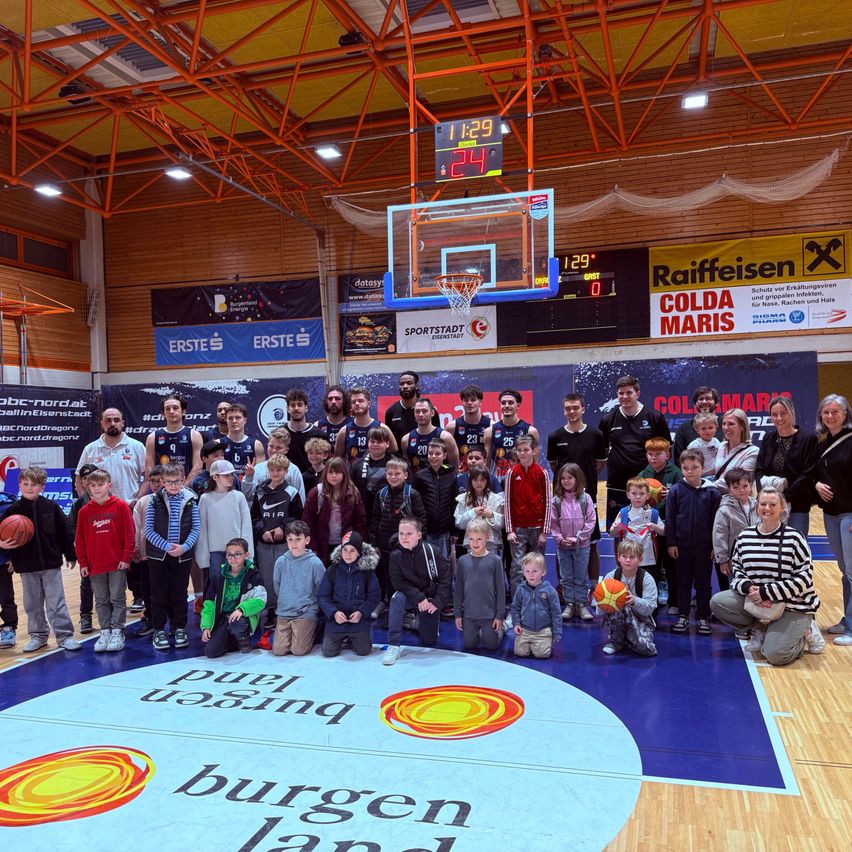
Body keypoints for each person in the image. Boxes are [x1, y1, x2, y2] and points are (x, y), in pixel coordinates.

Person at [710, 487, 822, 665]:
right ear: (757, 507)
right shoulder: (745, 536)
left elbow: (804, 579)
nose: (767, 508)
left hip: (793, 605)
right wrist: (749, 587)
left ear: (782, 508)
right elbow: (738, 571)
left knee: (775, 655)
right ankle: (761, 627)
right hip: (758, 600)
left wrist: (766, 592)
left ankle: (805, 632)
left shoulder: (794, 538)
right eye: (763, 504)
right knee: (718, 602)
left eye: (773, 504)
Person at [0, 466, 80, 653]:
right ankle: (38, 636)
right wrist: (10, 557)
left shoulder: (51, 507)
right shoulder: (13, 511)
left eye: (34, 484)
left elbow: (65, 533)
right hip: (26, 567)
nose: (29, 487)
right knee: (32, 605)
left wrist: (71, 554)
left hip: (51, 564)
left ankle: (64, 635)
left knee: (56, 602)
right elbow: (7, 538)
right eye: (25, 484)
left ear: (42, 487)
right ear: (19, 484)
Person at [546, 393, 606, 588]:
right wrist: (568, 484)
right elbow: (555, 466)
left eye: (575, 407)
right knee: (561, 544)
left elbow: (599, 464)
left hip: (587, 497)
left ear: (583, 409)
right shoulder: (555, 436)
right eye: (568, 408)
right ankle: (564, 588)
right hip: (563, 499)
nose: (572, 411)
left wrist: (581, 484)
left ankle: (593, 587)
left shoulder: (596, 434)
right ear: (564, 411)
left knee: (592, 542)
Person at [74, 469, 135, 653]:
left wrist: (126, 557)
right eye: (92, 485)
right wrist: (83, 563)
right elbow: (80, 540)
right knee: (100, 600)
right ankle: (105, 631)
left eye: (100, 485)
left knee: (117, 597)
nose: (96, 488)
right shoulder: (84, 512)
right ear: (87, 487)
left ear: (109, 485)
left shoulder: (121, 506)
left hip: (117, 563)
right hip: (95, 564)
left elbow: (130, 535)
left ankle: (118, 631)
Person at [599, 375, 671, 527]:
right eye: (621, 393)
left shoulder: (655, 417)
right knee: (619, 529)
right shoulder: (607, 420)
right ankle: (620, 553)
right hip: (617, 484)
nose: (624, 397)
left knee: (648, 528)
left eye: (629, 392)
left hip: (647, 484)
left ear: (637, 393)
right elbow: (602, 452)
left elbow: (666, 449)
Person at [144, 462, 200, 651]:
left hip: (182, 556)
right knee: (159, 594)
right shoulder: (153, 501)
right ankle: (159, 629)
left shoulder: (191, 500)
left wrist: (183, 547)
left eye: (177, 481)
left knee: (180, 593)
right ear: (162, 482)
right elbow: (149, 531)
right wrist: (167, 547)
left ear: (183, 480)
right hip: (159, 557)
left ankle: (179, 627)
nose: (174, 485)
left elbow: (196, 528)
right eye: (169, 482)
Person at [666, 449, 722, 636]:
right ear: (681, 469)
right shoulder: (675, 491)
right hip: (681, 547)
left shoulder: (712, 493)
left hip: (704, 547)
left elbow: (716, 523)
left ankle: (703, 617)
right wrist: (671, 543)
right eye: (685, 468)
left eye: (694, 467)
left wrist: (715, 546)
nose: (690, 471)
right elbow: (670, 519)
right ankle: (683, 615)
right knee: (682, 582)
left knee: (703, 583)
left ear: (703, 467)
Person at [382, 517, 452, 666]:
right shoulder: (395, 556)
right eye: (401, 533)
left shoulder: (433, 552)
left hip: (430, 599)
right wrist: (419, 597)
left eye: (409, 533)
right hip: (410, 596)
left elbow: (446, 579)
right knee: (396, 599)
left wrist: (438, 602)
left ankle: (417, 622)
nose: (404, 537)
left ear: (419, 535)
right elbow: (398, 582)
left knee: (429, 641)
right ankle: (393, 645)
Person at [251, 454, 303, 645]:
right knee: (266, 577)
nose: (275, 473)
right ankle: (272, 611)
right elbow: (254, 517)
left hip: (283, 544)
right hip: (264, 543)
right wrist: (262, 530)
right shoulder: (260, 491)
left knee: (284, 576)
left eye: (279, 470)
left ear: (286, 471)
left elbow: (297, 515)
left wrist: (283, 527)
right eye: (272, 470)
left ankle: (286, 610)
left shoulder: (291, 492)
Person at [814, 394, 852, 646]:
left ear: (846, 414)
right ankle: (848, 619)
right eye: (826, 412)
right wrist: (816, 484)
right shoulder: (823, 444)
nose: (830, 416)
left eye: (835, 411)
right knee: (845, 570)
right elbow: (816, 474)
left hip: (850, 514)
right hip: (830, 513)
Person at [370, 457, 426, 617]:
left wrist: (418, 544)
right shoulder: (380, 494)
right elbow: (374, 519)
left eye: (397, 473)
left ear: (406, 475)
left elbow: (421, 519)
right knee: (386, 576)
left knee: (408, 577)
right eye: (390, 474)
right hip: (384, 545)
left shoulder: (412, 495)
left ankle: (409, 609)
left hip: (406, 547)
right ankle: (385, 603)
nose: (393, 477)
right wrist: (375, 543)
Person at [755, 395, 819, 535]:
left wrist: (784, 497)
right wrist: (765, 496)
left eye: (783, 413)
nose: (779, 418)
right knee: (771, 549)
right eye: (774, 414)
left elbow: (807, 474)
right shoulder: (768, 438)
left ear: (792, 412)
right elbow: (759, 470)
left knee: (794, 548)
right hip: (770, 506)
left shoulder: (808, 440)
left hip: (797, 505)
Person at [503, 434, 552, 601]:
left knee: (536, 567)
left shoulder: (542, 473)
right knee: (517, 567)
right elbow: (508, 503)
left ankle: (536, 601)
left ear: (534, 451)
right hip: (518, 529)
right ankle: (518, 603)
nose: (522, 453)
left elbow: (547, 504)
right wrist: (509, 530)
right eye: (519, 450)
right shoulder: (511, 473)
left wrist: (545, 531)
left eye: (526, 450)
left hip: (537, 529)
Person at [200, 537, 267, 657]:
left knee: (237, 622)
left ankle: (243, 639)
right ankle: (232, 638)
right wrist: (206, 626)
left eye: (237, 554)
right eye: (229, 555)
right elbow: (209, 603)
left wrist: (242, 609)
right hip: (223, 618)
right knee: (211, 652)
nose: (233, 558)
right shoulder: (218, 577)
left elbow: (260, 601)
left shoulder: (254, 575)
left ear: (246, 555)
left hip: (242, 617)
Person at [317, 532, 380, 658]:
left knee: (364, 650)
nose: (348, 554)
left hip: (358, 620)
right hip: (336, 621)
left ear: (359, 552)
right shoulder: (332, 570)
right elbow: (323, 596)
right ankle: (342, 638)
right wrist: (334, 613)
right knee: (328, 652)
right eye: (345, 550)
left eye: (352, 550)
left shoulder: (367, 572)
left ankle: (354, 638)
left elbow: (374, 596)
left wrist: (361, 612)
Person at [196, 459, 253, 592]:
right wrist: (203, 557)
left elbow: (246, 526)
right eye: (226, 475)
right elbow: (202, 530)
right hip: (215, 552)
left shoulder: (239, 497)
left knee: (237, 587)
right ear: (215, 477)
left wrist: (248, 554)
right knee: (217, 588)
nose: (230, 477)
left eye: (231, 474)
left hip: (237, 552)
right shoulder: (205, 499)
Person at [638, 438, 682, 610]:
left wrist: (671, 494)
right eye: (650, 454)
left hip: (670, 526)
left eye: (658, 454)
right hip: (648, 528)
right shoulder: (643, 474)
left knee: (671, 565)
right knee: (651, 565)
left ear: (667, 455)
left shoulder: (676, 473)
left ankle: (675, 602)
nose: (654, 458)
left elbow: (681, 497)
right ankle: (651, 600)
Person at [272, 520, 326, 656]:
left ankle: (315, 629)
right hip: (284, 612)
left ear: (307, 540)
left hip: (305, 612)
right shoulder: (281, 562)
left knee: (298, 650)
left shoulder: (315, 563)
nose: (294, 543)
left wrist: (313, 608)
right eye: (290, 539)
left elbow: (322, 588)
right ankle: (292, 631)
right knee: (279, 650)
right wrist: (286, 600)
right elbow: (277, 585)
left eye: (298, 539)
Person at [550, 463, 597, 621]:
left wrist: (578, 538)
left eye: (569, 478)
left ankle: (582, 604)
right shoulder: (556, 500)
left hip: (581, 547)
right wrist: (560, 539)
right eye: (563, 478)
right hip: (563, 547)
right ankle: (570, 604)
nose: (566, 481)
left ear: (577, 479)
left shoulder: (586, 498)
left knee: (580, 576)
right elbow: (553, 523)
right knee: (566, 577)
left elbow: (591, 521)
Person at [302, 456, 368, 564]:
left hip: (346, 545)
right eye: (330, 472)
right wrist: (312, 547)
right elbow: (308, 523)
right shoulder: (316, 493)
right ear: (325, 474)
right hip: (321, 545)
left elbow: (360, 522)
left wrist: (359, 545)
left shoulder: (353, 492)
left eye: (337, 472)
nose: (334, 476)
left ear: (344, 474)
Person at [77, 407, 147, 504]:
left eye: (116, 420)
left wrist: (137, 501)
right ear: (102, 423)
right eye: (108, 420)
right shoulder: (90, 449)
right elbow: (78, 480)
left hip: (129, 506)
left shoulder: (137, 446)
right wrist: (88, 503)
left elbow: (148, 477)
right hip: (100, 508)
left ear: (122, 423)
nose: (113, 424)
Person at [600, 540, 658, 656]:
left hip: (641, 619)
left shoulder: (647, 579)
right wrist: (602, 602)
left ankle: (631, 639)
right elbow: (599, 608)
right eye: (624, 556)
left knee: (645, 649)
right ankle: (616, 641)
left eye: (632, 557)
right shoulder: (611, 577)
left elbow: (651, 606)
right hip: (618, 617)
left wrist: (634, 601)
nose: (627, 560)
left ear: (640, 559)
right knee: (619, 605)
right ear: (618, 557)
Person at [454, 519, 505, 650]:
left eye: (479, 539)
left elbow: (500, 590)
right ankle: (478, 631)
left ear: (487, 537)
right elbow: (458, 589)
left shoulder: (495, 560)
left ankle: (502, 628)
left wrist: (499, 616)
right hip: (469, 615)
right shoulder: (463, 561)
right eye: (471, 539)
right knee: (469, 646)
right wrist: (458, 614)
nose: (475, 543)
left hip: (489, 615)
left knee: (492, 646)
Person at [609, 477, 665, 591]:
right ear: (628, 495)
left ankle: (649, 605)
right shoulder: (623, 512)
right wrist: (616, 529)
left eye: (642, 493)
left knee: (649, 586)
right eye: (634, 493)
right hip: (628, 558)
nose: (638, 497)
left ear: (648, 495)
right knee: (627, 586)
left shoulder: (653, 513)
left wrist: (655, 527)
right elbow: (612, 533)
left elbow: (664, 532)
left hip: (648, 558)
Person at [712, 468, 758, 595]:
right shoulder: (724, 510)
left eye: (745, 486)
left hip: (755, 559)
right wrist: (723, 560)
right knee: (735, 589)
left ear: (751, 485)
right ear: (729, 488)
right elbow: (719, 536)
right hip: (734, 560)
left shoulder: (758, 505)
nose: (742, 490)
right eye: (736, 487)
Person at [412, 439, 458, 559]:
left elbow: (455, 504)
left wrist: (454, 530)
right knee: (425, 564)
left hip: (444, 530)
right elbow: (415, 505)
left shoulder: (451, 475)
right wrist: (419, 529)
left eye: (437, 453)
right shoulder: (419, 476)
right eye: (430, 453)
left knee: (443, 563)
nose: (433, 456)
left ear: (445, 455)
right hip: (425, 531)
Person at [131, 465, 163, 638]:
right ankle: (150, 618)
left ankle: (174, 622)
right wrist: (135, 547)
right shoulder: (143, 502)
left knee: (168, 590)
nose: (156, 485)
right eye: (152, 481)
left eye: (159, 481)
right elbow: (136, 528)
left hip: (167, 555)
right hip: (146, 555)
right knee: (148, 589)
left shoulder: (174, 500)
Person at [511, 552, 561, 659]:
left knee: (542, 655)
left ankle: (545, 642)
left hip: (543, 630)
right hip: (525, 630)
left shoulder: (549, 591)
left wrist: (557, 632)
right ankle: (530, 644)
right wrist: (516, 624)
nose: (531, 574)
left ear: (543, 572)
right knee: (520, 653)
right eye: (527, 571)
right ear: (523, 573)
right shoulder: (521, 589)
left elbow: (556, 613)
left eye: (535, 571)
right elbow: (515, 608)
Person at [67, 463, 99, 633]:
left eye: (91, 477)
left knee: (113, 585)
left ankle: (113, 618)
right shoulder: (79, 504)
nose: (88, 481)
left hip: (109, 550)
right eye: (85, 478)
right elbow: (71, 528)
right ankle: (85, 616)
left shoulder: (112, 500)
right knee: (86, 583)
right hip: (88, 553)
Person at [484, 389, 539, 485]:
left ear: (518, 405)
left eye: (510, 402)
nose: (506, 406)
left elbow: (535, 462)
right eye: (503, 403)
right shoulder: (490, 431)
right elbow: (487, 462)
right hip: (498, 483)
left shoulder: (530, 431)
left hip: (522, 482)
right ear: (500, 405)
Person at [145, 395, 203, 485]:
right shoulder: (152, 437)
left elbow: (198, 466)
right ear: (163, 413)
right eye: (167, 409)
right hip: (161, 489)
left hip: (186, 489)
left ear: (183, 411)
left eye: (175, 408)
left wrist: (184, 487)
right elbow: (149, 470)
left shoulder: (194, 435)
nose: (171, 411)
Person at [241, 428, 306, 505]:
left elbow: (301, 500)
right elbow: (248, 496)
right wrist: (249, 477)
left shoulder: (293, 470)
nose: (274, 450)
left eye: (279, 448)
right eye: (271, 446)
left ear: (286, 450)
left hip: (287, 515)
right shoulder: (258, 469)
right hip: (263, 515)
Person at [336, 387, 397, 464]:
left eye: (361, 401)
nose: (357, 403)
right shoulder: (344, 431)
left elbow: (394, 454)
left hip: (378, 474)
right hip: (354, 475)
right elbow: (339, 459)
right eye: (354, 402)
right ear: (351, 406)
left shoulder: (383, 428)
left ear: (369, 404)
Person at [402, 397, 459, 475]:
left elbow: (454, 467)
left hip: (440, 484)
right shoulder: (406, 440)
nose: (421, 414)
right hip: (416, 485)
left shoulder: (445, 437)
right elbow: (406, 468)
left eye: (424, 411)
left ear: (432, 413)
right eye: (417, 411)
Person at [454, 467, 504, 553]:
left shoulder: (496, 499)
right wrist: (472, 513)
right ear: (471, 481)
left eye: (482, 480)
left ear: (487, 481)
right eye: (475, 479)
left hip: (491, 544)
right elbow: (458, 522)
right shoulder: (463, 499)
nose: (479, 483)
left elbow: (502, 524)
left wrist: (491, 515)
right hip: (472, 544)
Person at [350, 427, 393, 526]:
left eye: (380, 441)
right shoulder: (356, 465)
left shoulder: (396, 464)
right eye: (372, 441)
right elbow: (350, 490)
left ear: (387, 444)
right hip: (363, 514)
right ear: (368, 443)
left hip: (388, 513)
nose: (375, 444)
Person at [384, 370, 438, 446]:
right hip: (399, 457)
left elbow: (438, 438)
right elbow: (389, 442)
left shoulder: (429, 410)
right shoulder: (391, 412)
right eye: (402, 384)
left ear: (416, 386)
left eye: (409, 383)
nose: (405, 386)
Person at [713, 408, 759, 492]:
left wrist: (708, 486)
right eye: (724, 424)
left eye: (731, 424)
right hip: (716, 499)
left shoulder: (753, 451)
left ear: (742, 426)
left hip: (738, 502)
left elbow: (740, 482)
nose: (726, 427)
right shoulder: (720, 446)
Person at [447, 384, 491, 472]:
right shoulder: (452, 426)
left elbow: (490, 455)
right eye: (466, 400)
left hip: (482, 474)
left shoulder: (491, 425)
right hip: (461, 473)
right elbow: (447, 455)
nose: (469, 403)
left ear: (480, 402)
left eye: (473, 400)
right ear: (462, 402)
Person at [283, 388, 327, 473]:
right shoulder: (281, 433)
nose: (296, 408)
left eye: (300, 405)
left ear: (306, 408)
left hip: (312, 482)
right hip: (286, 481)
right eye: (292, 405)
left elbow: (326, 463)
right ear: (288, 409)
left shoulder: (319, 434)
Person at [673, 386, 722, 461]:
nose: (704, 402)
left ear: (717, 403)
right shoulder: (684, 428)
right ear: (695, 404)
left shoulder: (726, 424)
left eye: (708, 398)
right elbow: (679, 459)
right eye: (701, 399)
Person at [221, 403, 266, 475]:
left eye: (238, 417)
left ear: (245, 420)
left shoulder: (256, 445)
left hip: (250, 485)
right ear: (226, 420)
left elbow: (261, 475)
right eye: (230, 418)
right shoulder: (218, 444)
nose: (234, 421)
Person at [0, 492, 17, 649]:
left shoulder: (6, 506)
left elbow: (15, 535)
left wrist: (12, 557)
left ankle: (9, 628)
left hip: (2, 561)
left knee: (6, 598)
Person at [687, 412, 721, 477]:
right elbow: (690, 463)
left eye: (710, 427)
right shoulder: (694, 445)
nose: (707, 431)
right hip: (700, 476)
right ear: (697, 430)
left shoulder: (716, 441)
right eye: (703, 428)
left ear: (716, 428)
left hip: (716, 475)